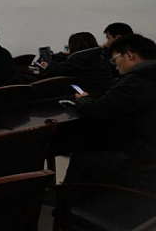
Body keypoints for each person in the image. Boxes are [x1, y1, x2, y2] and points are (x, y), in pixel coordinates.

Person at [64, 34, 156, 192]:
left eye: (114, 60)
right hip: (149, 147)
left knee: (82, 160)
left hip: (144, 159)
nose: (115, 66)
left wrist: (83, 100)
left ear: (129, 55)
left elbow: (97, 110)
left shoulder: (136, 81)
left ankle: (65, 201)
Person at [41, 32, 115, 97]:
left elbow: (53, 71)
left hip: (91, 97)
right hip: (107, 94)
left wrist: (61, 55)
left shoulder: (79, 60)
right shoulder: (100, 55)